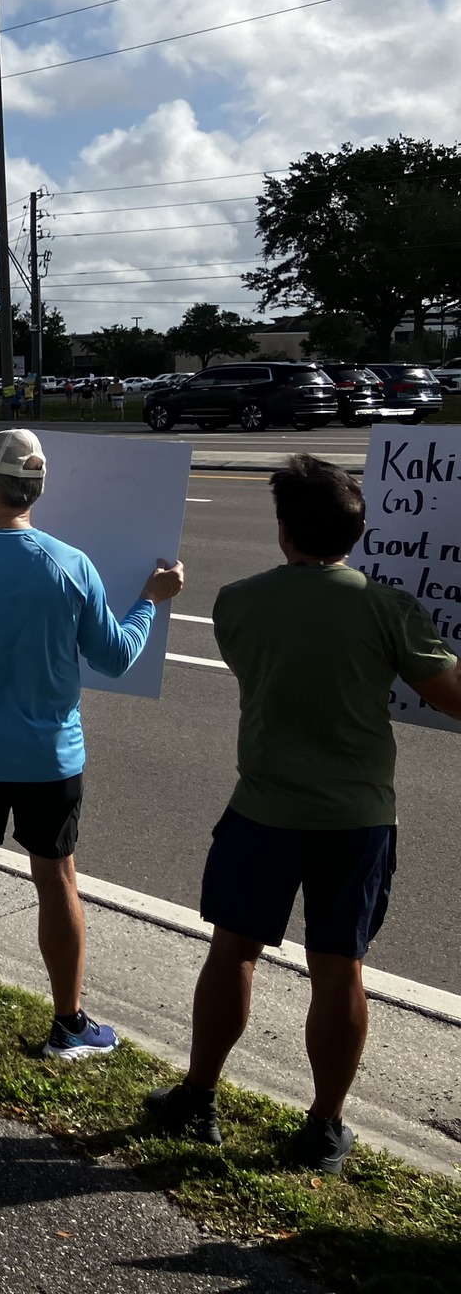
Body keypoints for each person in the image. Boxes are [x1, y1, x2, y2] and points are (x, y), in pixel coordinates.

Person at [143, 455, 461, 1173]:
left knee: (234, 950)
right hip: (358, 818)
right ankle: (322, 1126)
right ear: (358, 532)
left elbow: (251, 666)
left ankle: (198, 1098)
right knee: (339, 968)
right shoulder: (388, 607)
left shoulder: (238, 601)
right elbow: (451, 695)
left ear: (284, 531)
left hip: (263, 807)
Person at [0, 428, 185, 1057]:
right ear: (36, 490)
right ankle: (68, 1023)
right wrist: (148, 600)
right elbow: (115, 658)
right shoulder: (71, 564)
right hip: (50, 757)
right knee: (56, 878)